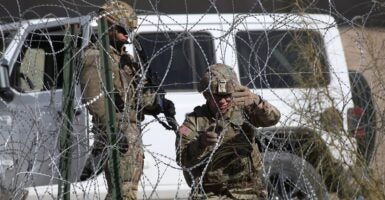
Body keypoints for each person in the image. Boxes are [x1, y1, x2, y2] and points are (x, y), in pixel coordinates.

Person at [79, 1, 156, 199]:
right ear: (108, 27)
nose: (126, 35)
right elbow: (95, 101)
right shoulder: (96, 57)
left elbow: (137, 96)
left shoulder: (125, 58)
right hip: (117, 134)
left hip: (131, 132)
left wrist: (156, 103)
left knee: (127, 190)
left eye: (129, 30)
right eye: (122, 29)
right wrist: (112, 131)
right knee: (123, 192)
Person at [176, 63, 281, 199]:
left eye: (227, 96)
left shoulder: (245, 110)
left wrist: (257, 102)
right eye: (217, 96)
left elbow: (273, 118)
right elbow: (181, 158)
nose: (223, 101)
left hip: (247, 189)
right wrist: (201, 143)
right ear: (207, 95)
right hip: (209, 192)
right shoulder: (192, 122)